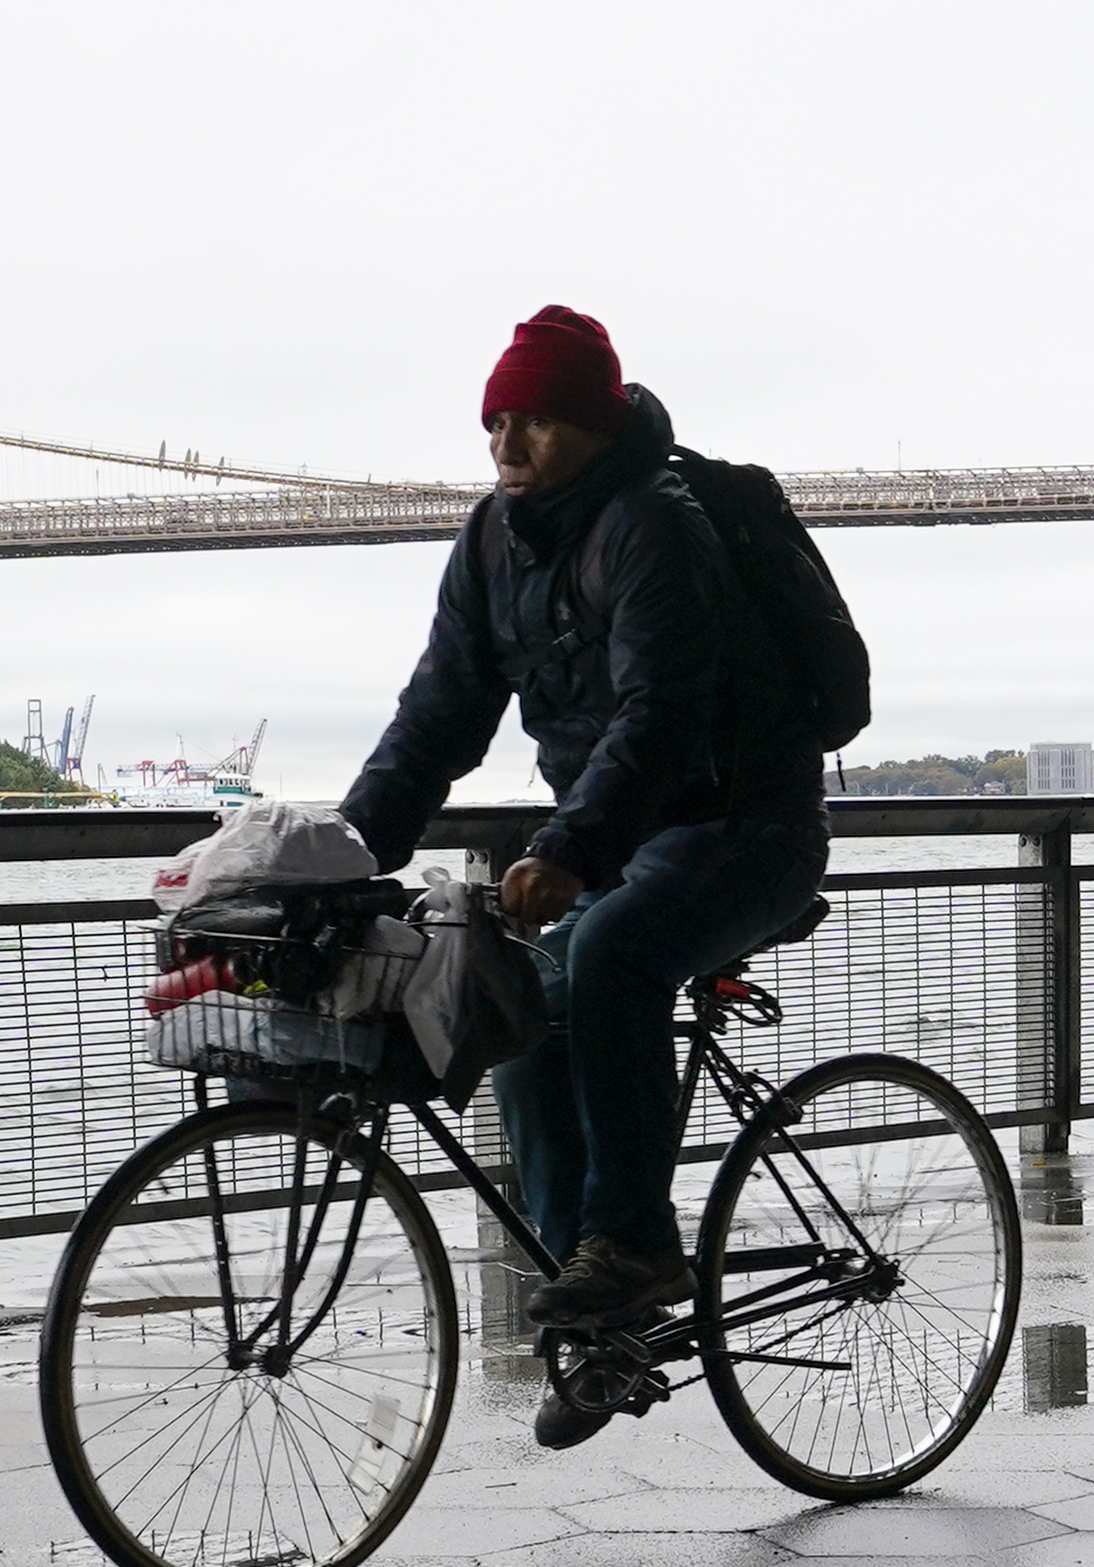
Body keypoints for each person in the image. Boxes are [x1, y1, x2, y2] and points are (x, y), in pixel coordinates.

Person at [342, 306, 831, 1442]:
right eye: (495, 421)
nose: (508, 443)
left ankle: (636, 1247)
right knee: (517, 1002)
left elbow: (662, 713)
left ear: (594, 425)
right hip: (623, 831)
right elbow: (435, 716)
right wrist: (344, 850)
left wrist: (567, 850)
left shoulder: (654, 525)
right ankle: (595, 1318)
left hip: (747, 824)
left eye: (537, 421)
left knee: (609, 954)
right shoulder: (490, 542)